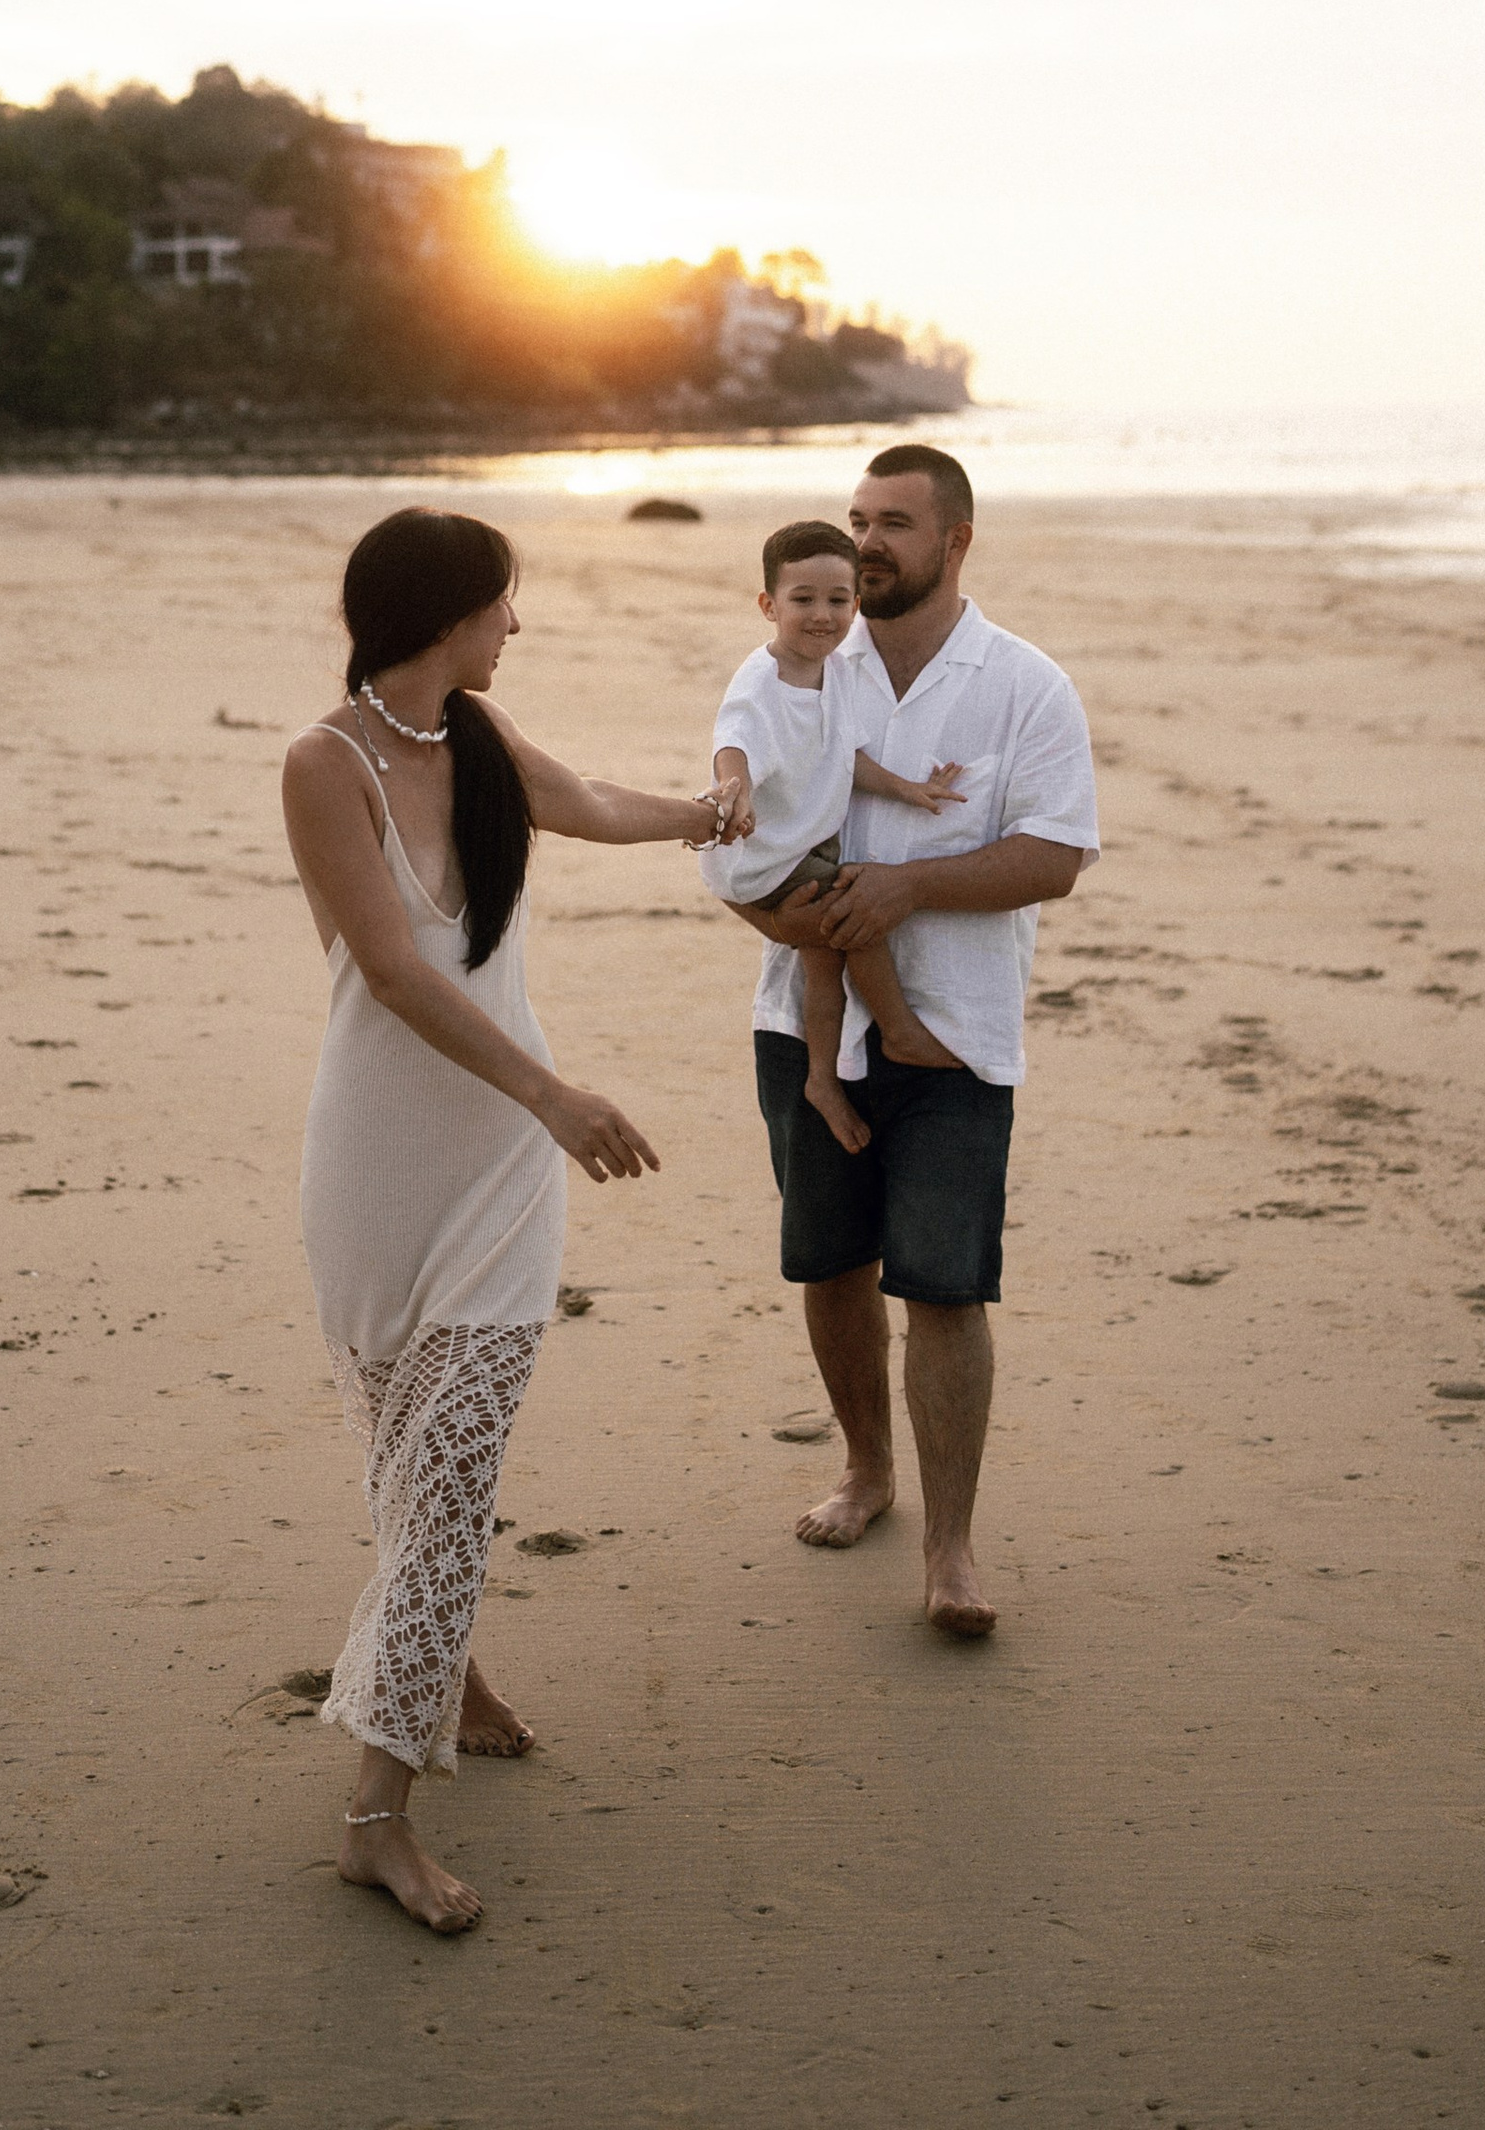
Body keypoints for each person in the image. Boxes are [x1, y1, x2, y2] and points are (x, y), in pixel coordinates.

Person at [280, 505, 735, 1936]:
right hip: (386, 1157)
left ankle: (376, 1816)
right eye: (501, 606)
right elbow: (402, 978)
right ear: (439, 613)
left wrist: (710, 814)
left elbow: (586, 799)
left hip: (504, 1174)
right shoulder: (325, 764)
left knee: (455, 1463)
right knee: (402, 1443)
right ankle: (444, 1690)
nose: (515, 629)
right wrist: (553, 1094)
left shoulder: (476, 740)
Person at [724, 445, 1097, 1639]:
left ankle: (950, 1547)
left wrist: (904, 889)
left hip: (956, 1038)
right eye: (854, 520)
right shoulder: (796, 667)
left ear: (956, 540)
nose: (866, 544)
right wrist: (790, 914)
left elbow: (1055, 856)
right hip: (802, 1019)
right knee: (830, 1266)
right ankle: (866, 1472)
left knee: (943, 1286)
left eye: (893, 523)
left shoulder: (1025, 684)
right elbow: (730, 835)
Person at [699, 518, 969, 1154]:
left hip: (805, 843)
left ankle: (821, 1079)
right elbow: (733, 741)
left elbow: (843, 756)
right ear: (769, 605)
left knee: (822, 966)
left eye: (838, 600)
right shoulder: (759, 681)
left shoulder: (836, 673)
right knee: (855, 920)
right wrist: (731, 792)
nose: (822, 616)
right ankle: (900, 1030)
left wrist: (910, 789)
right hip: (766, 854)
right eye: (803, 600)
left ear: (856, 603)